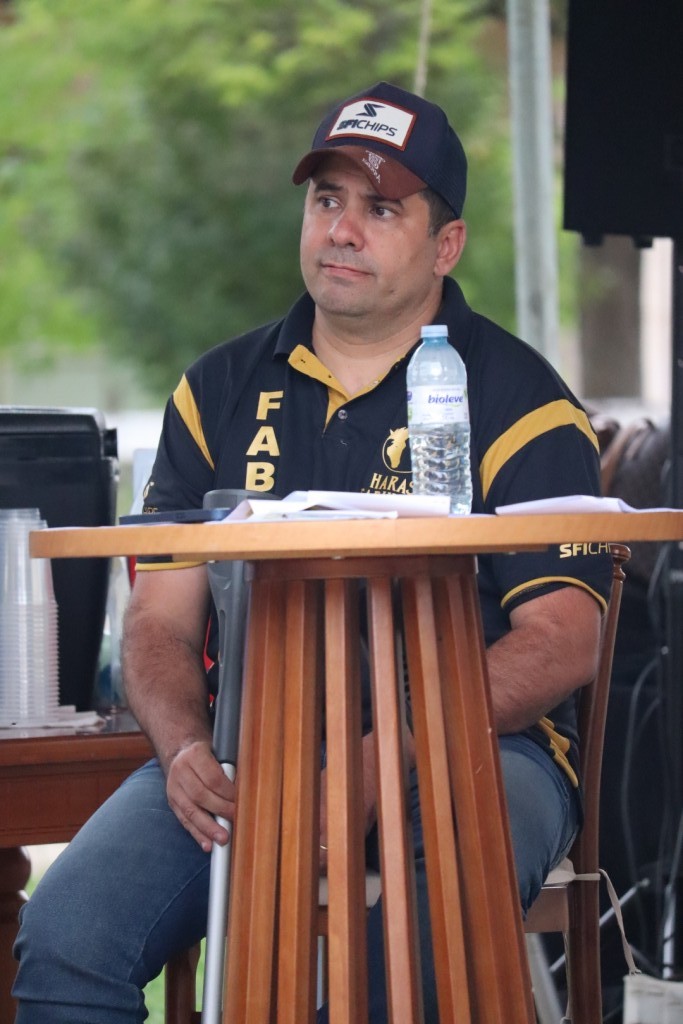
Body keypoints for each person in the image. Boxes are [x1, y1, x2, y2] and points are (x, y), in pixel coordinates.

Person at [13, 81, 613, 1023]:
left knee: (404, 958)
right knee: (66, 940)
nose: (341, 229)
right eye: (327, 199)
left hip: (477, 753)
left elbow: (562, 639)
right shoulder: (214, 389)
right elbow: (159, 624)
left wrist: (388, 752)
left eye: (381, 208)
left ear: (445, 245)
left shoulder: (520, 398)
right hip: (248, 754)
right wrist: (182, 748)